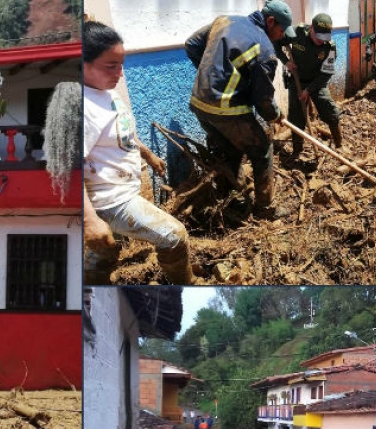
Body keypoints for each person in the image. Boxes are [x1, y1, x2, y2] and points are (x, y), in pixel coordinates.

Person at [80, 23, 193, 286]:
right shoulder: (82, 108)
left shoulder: (106, 91)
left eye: (121, 63)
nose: (120, 72)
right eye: (111, 65)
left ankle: (92, 279)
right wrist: (90, 221)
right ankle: (186, 286)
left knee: (104, 252)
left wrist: (147, 155)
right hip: (110, 201)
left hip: (123, 190)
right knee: (174, 236)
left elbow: (122, 132)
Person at [185, 0, 291, 210]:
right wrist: (275, 114)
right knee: (262, 149)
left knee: (230, 151)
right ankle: (266, 208)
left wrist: (211, 73)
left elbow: (192, 44)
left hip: (199, 103)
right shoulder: (265, 50)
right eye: (281, 30)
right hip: (227, 109)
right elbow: (263, 101)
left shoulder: (226, 21)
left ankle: (234, 194)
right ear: (270, 21)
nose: (282, 35)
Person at [275, 13, 343, 154]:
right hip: (297, 81)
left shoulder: (330, 47)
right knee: (296, 119)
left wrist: (309, 90)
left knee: (331, 112)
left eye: (324, 37)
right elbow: (275, 42)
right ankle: (297, 151)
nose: (320, 41)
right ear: (311, 28)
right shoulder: (296, 33)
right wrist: (286, 61)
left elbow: (326, 73)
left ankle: (339, 146)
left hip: (317, 83)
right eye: (318, 36)